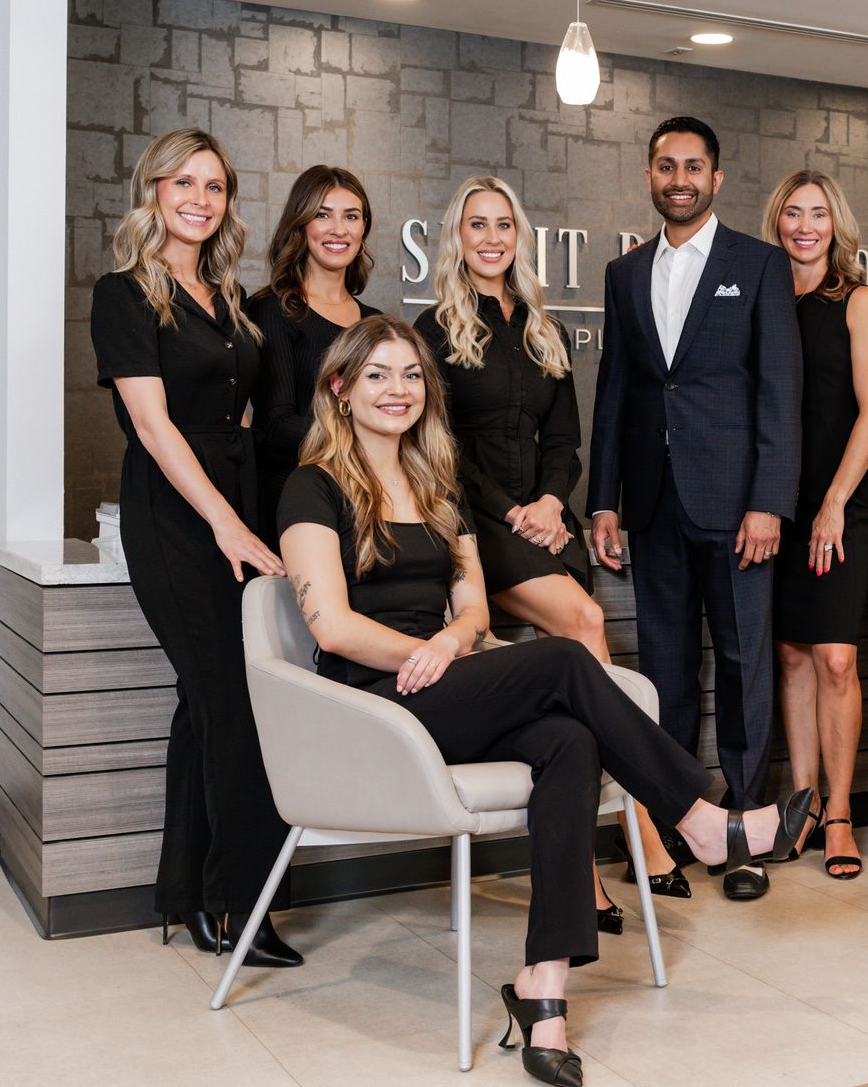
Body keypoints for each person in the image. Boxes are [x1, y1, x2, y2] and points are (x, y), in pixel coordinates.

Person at [277, 315, 817, 1087]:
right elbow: (330, 623)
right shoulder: (313, 486)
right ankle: (700, 819)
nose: (398, 391)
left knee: (570, 742)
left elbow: (473, 610)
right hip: (372, 703)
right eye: (376, 376)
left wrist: (450, 643)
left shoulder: (436, 482)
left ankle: (544, 991)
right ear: (340, 388)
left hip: (444, 683)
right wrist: (423, 651)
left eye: (409, 375)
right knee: (564, 658)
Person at [412, 174, 689, 926]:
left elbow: (566, 438)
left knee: (565, 710)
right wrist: (510, 510)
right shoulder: (434, 330)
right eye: (478, 225)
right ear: (457, 238)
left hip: (546, 523)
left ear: (519, 236)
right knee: (585, 629)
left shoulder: (543, 327)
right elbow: (439, 449)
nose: (493, 238)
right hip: (473, 527)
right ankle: (646, 831)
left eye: (505, 224)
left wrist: (547, 504)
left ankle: (582, 876)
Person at [88, 127, 301, 967]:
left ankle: (182, 892)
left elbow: (243, 413)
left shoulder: (228, 296)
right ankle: (235, 907)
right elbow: (150, 424)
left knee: (205, 705)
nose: (199, 200)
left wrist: (253, 512)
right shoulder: (124, 294)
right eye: (184, 183)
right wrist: (223, 521)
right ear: (153, 192)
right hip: (177, 515)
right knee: (233, 705)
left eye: (214, 186)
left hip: (237, 497)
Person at [588, 116, 803, 901]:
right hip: (652, 502)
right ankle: (675, 830)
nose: (679, 178)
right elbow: (616, 391)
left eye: (694, 167)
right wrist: (603, 502)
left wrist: (770, 503)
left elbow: (781, 391)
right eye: (665, 166)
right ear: (649, 177)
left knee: (744, 667)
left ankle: (745, 831)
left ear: (716, 179)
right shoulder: (625, 272)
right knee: (667, 671)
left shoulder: (760, 265)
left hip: (739, 504)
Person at [762, 170, 868, 880]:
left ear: (835, 223)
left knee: (836, 657)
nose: (804, 225)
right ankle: (803, 803)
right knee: (791, 657)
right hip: (779, 503)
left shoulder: (859, 300)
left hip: (842, 505)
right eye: (792, 213)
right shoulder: (768, 296)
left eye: (817, 214)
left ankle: (839, 813)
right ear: (777, 220)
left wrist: (836, 500)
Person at [248, 165, 380, 546]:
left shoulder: (374, 323)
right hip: (299, 501)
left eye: (351, 216)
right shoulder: (273, 310)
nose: (338, 229)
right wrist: (368, 440)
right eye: (323, 214)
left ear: (363, 229)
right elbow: (276, 426)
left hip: (366, 497)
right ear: (301, 224)